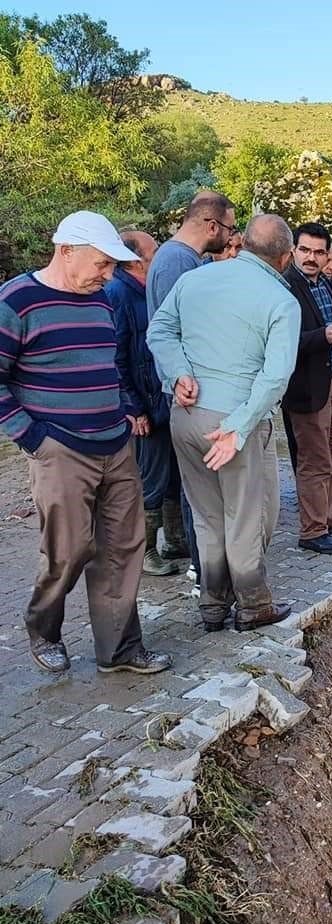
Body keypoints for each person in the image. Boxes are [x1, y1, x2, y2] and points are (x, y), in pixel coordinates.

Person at [0, 211, 172, 674]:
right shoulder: (17, 300)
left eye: (113, 266)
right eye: (101, 264)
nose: (108, 275)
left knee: (123, 548)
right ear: (66, 251)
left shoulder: (100, 301)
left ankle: (118, 650)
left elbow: (109, 363)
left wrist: (126, 408)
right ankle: (43, 627)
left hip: (116, 444)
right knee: (71, 548)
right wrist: (33, 437)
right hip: (60, 448)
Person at [147, 214, 299, 633]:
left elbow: (158, 330)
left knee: (207, 515)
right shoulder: (280, 299)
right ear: (285, 257)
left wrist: (177, 374)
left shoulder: (196, 279)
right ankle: (252, 604)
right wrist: (240, 425)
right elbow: (276, 375)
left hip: (187, 415)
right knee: (250, 516)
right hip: (235, 422)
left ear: (243, 242)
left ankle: (213, 605)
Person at [147, 191, 238, 590]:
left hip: (197, 391)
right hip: (189, 394)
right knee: (198, 489)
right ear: (211, 225)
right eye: (231, 229)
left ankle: (209, 570)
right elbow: (172, 333)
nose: (232, 238)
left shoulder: (185, 260)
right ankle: (206, 574)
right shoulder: (176, 264)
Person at [105, 230, 184, 578]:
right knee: (150, 478)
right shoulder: (118, 294)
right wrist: (133, 407)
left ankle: (176, 538)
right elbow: (116, 358)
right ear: (137, 260)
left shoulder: (144, 290)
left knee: (172, 474)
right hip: (143, 405)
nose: (160, 257)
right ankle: (145, 551)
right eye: (154, 251)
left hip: (160, 398)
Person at [281, 223, 332, 556]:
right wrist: (324, 336)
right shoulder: (284, 288)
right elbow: (280, 342)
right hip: (305, 387)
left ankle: (328, 518)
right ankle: (311, 531)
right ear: (293, 251)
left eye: (318, 251)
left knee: (331, 457)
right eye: (305, 250)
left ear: (327, 254)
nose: (311, 257)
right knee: (313, 461)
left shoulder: (330, 285)